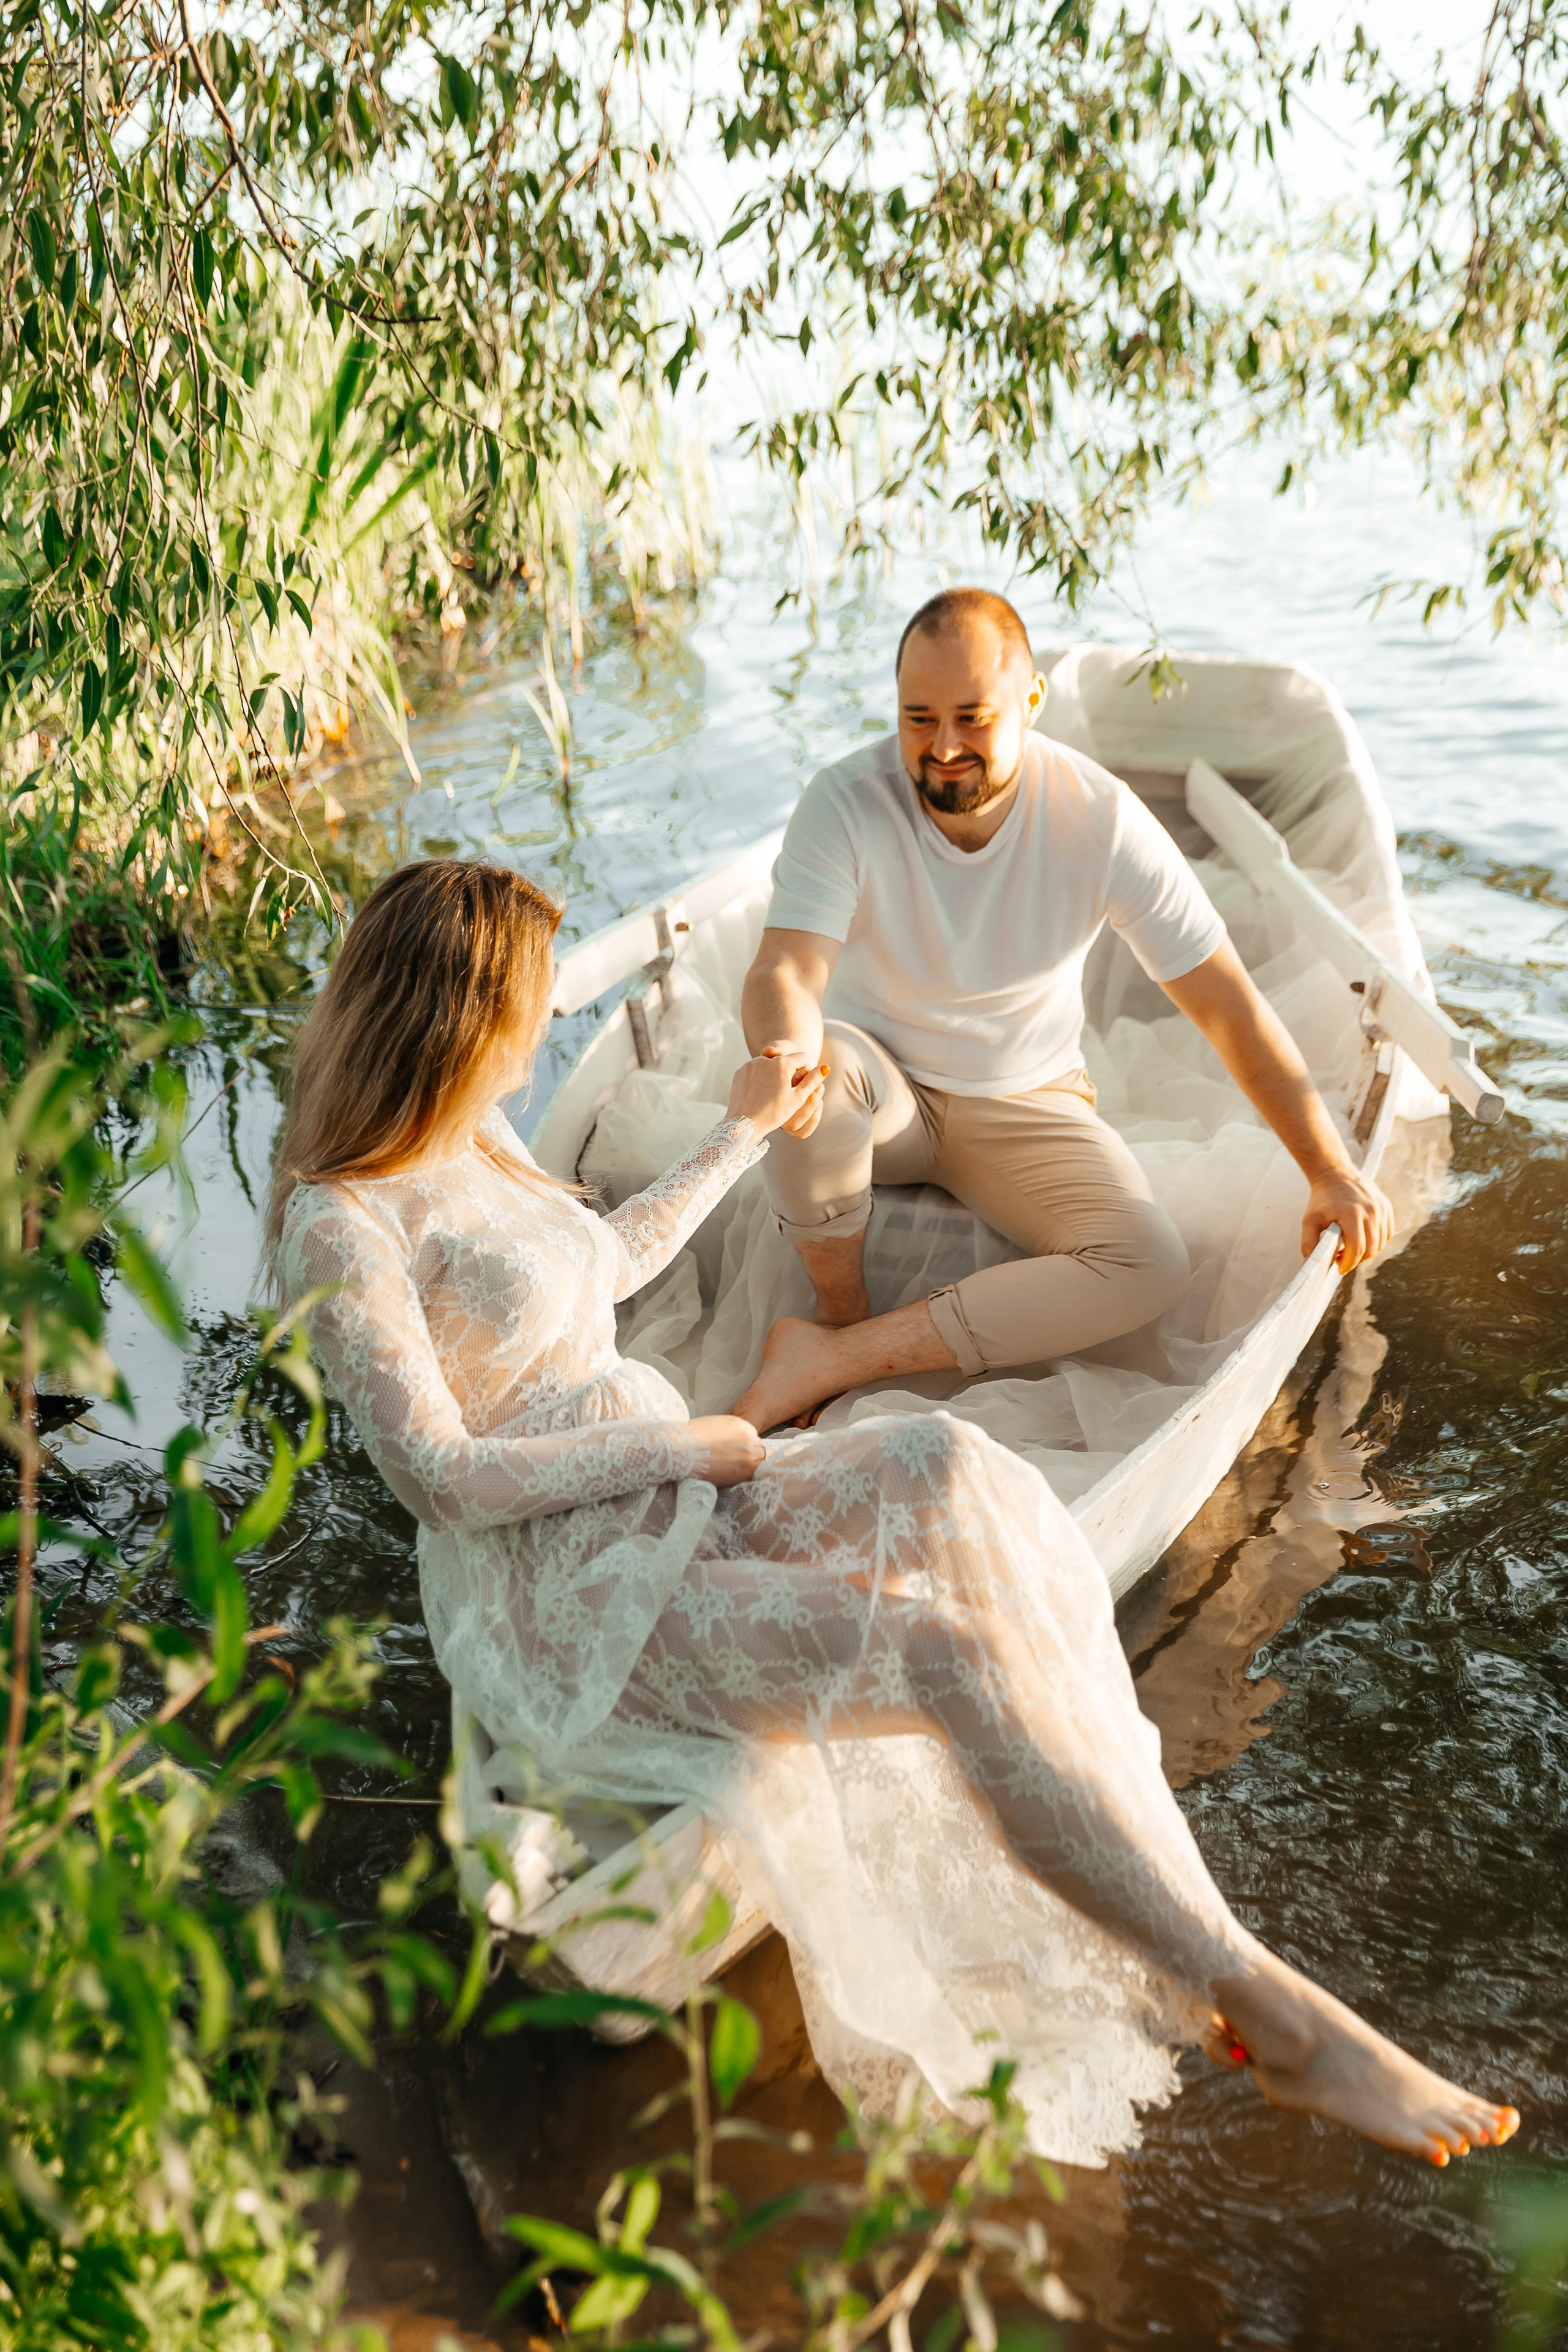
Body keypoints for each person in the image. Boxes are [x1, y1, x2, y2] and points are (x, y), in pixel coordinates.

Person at [268, 856, 1517, 2168]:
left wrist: (741, 1133)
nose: (534, 1042)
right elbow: (439, 1479)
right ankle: (1264, 2007)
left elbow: (595, 1269)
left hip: (663, 1489)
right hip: (560, 1592)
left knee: (945, 1466)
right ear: (454, 1016)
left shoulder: (476, 1133)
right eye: (519, 1012)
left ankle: (1169, 1931)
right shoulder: (341, 1224)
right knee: (939, 1654)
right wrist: (685, 1439)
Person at [733, 588, 1395, 1436]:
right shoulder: (846, 800)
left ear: (1031, 701)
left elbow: (1227, 1006)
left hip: (1026, 1103)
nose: (942, 749)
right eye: (918, 718)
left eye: (973, 718)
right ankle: (835, 1309)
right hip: (880, 1092)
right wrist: (786, 1046)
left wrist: (1328, 1168)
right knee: (810, 1074)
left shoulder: (1101, 818)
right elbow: (786, 966)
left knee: (1148, 1266)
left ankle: (838, 1355)